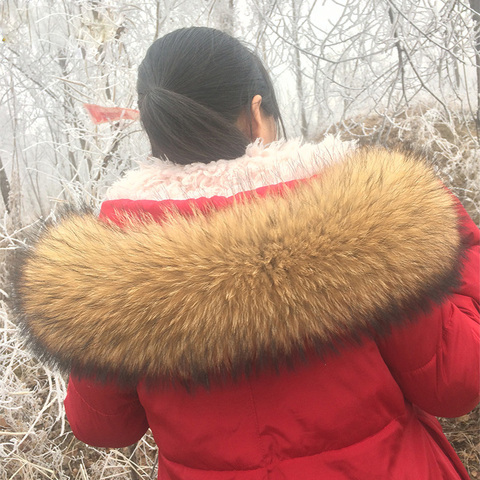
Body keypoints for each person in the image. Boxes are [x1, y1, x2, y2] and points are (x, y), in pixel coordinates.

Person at [15, 27, 479, 479]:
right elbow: (454, 381)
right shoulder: (362, 216)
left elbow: (101, 426)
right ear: (257, 111)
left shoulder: (109, 265)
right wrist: (456, 240)